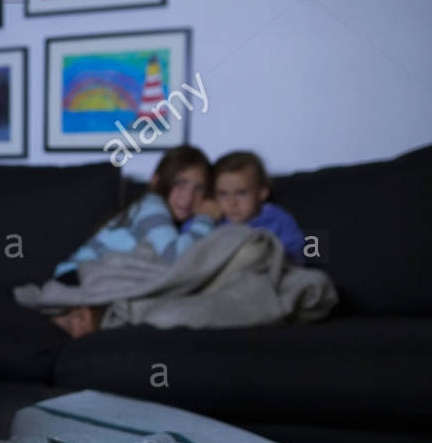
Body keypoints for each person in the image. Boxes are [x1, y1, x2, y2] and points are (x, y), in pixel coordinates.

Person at [49, 145, 221, 338]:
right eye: (180, 183)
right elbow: (176, 256)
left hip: (89, 279)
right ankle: (74, 316)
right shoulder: (152, 205)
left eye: (199, 188)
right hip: (77, 276)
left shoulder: (174, 221)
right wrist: (206, 218)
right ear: (157, 182)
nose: (188, 197)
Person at [210, 151, 306, 263]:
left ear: (262, 192)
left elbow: (296, 250)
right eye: (223, 194)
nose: (232, 203)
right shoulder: (213, 220)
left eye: (241, 193)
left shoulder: (277, 219)